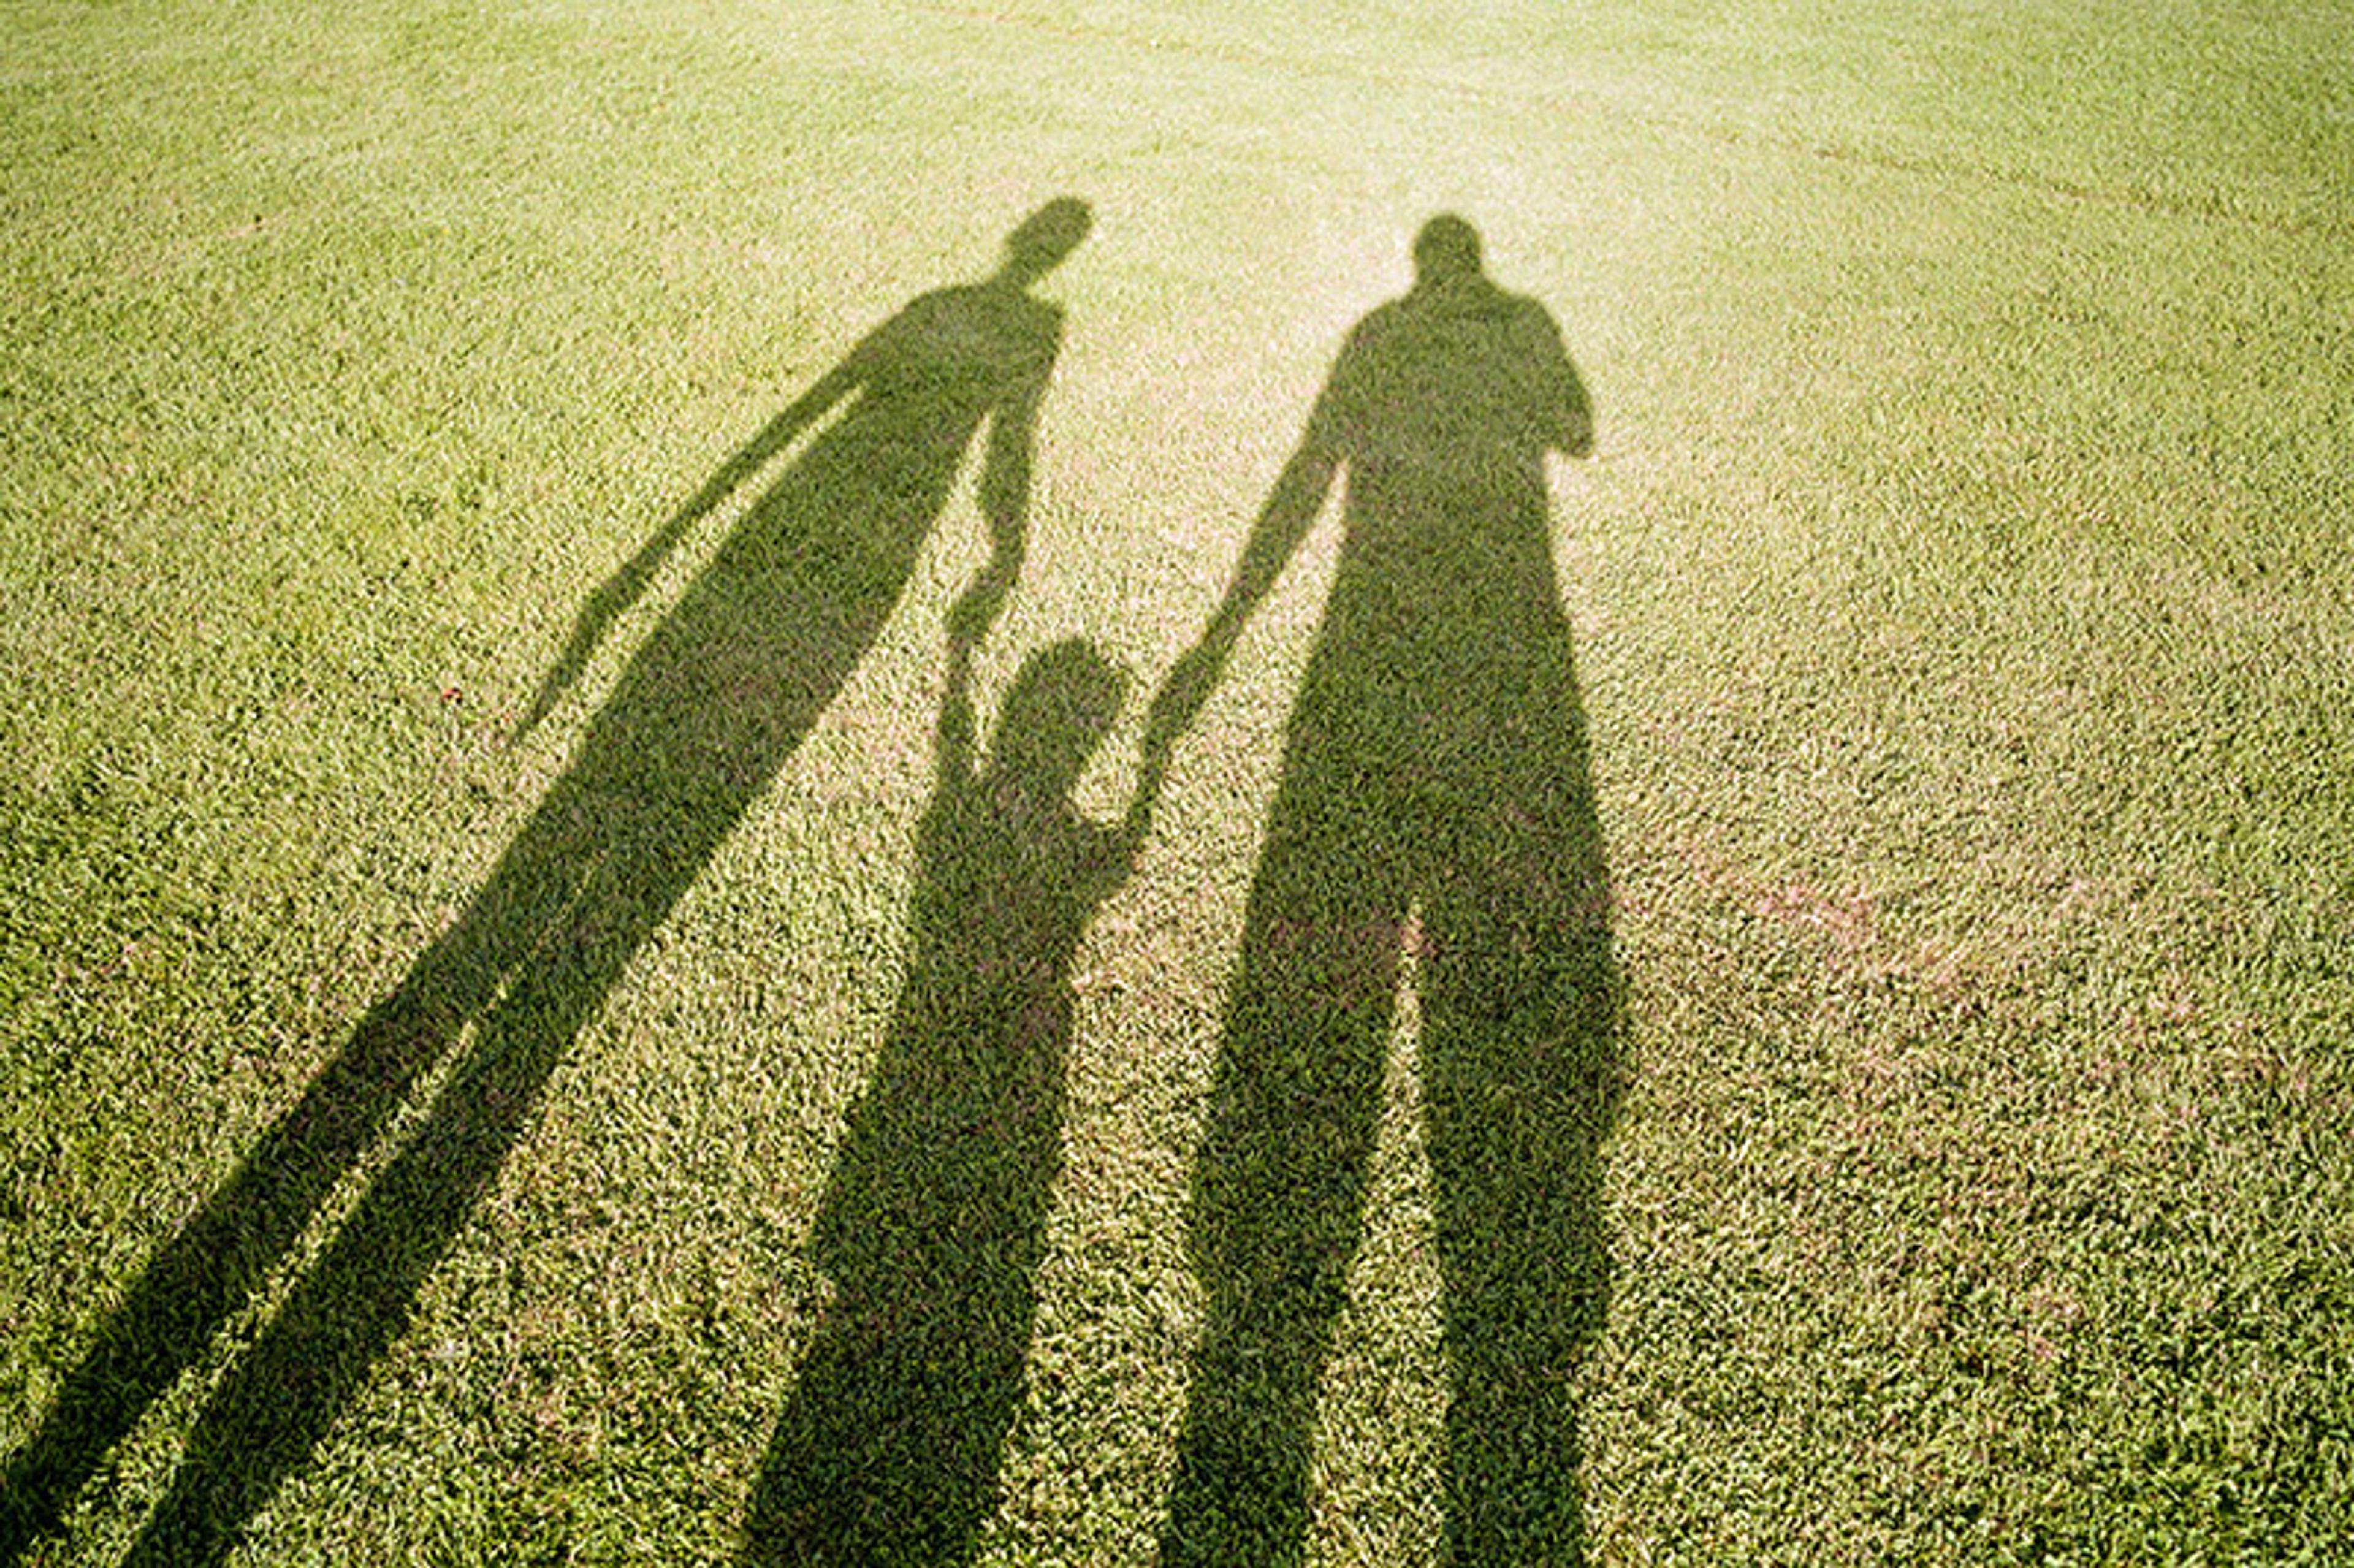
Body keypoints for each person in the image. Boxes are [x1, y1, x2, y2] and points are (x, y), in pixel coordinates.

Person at [4, 199, 1093, 1568]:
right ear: (1058, 251)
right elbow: (973, 444)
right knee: (665, 815)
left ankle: (531, 980)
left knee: (609, 807)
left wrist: (679, 545)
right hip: (856, 554)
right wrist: (994, 554)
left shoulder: (974, 305)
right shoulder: (1029, 327)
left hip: (809, 539)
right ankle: (538, 1013)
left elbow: (812, 422)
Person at [1149, 215, 1622, 1566]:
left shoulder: (1374, 337)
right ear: (1475, 265)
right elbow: (1579, 433)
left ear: (1420, 268)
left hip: (1370, 645)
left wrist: (1227, 626)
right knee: (1499, 896)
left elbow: (1309, 469)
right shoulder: (1526, 328)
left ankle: (1306, 1180)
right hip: (1507, 645)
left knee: (1331, 920)